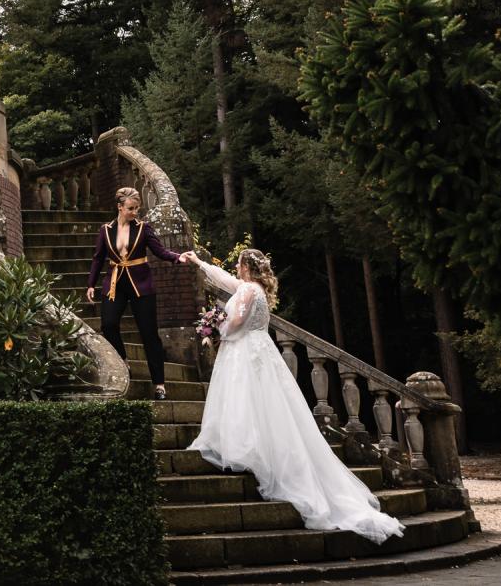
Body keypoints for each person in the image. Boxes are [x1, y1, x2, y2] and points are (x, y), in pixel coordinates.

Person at [182, 248, 405, 544]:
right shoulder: (257, 289)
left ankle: (248, 449)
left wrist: (218, 327)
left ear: (247, 267)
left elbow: (236, 321)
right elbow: (224, 280)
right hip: (261, 349)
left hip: (246, 351)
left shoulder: (248, 288)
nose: (235, 268)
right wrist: (199, 262)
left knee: (245, 400)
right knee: (267, 405)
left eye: (238, 264)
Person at [86, 186, 190, 399]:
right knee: (108, 324)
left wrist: (176, 257)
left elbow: (159, 251)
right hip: (115, 283)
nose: (135, 212)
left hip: (141, 285)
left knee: (149, 334)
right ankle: (123, 360)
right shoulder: (106, 230)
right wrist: (91, 285)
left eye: (137, 208)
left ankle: (159, 385)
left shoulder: (144, 228)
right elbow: (98, 258)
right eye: (131, 208)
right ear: (120, 207)